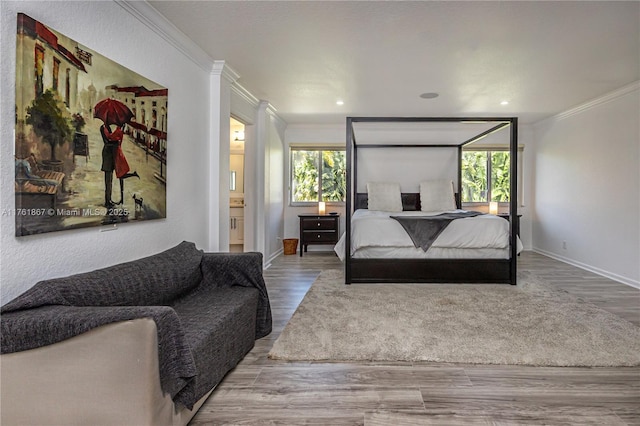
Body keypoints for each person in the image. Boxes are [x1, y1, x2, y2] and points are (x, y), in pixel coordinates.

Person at [100, 124, 139, 207]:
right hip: (108, 156)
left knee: (116, 176)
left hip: (113, 155)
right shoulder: (103, 128)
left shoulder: (108, 127)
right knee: (108, 180)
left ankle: (112, 199)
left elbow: (112, 138)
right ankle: (107, 201)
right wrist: (116, 142)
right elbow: (107, 142)